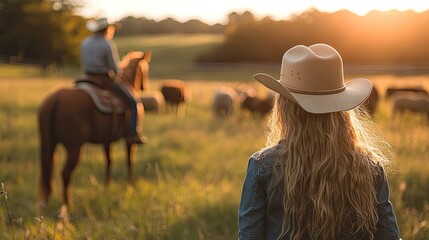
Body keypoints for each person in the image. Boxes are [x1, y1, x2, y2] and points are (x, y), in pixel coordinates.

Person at [238, 44, 400, 240]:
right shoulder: (369, 168)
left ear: (284, 108)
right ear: (341, 110)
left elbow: (249, 236)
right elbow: (389, 236)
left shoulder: (263, 166)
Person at [80, 18, 146, 144]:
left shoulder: (85, 42)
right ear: (107, 29)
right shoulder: (107, 43)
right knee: (133, 103)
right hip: (104, 79)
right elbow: (114, 68)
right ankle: (133, 134)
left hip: (86, 78)